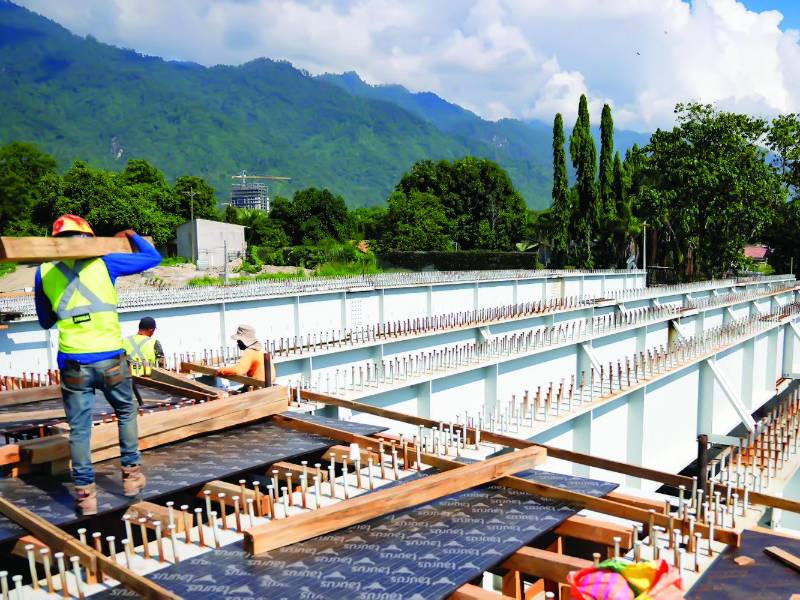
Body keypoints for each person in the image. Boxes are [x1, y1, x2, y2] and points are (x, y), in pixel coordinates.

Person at [34, 215, 162, 515]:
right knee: (126, 410)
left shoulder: (43, 272)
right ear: (88, 237)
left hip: (73, 361)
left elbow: (45, 320)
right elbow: (152, 257)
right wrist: (131, 235)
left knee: (79, 428)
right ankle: (131, 477)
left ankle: (85, 495)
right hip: (110, 357)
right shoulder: (105, 262)